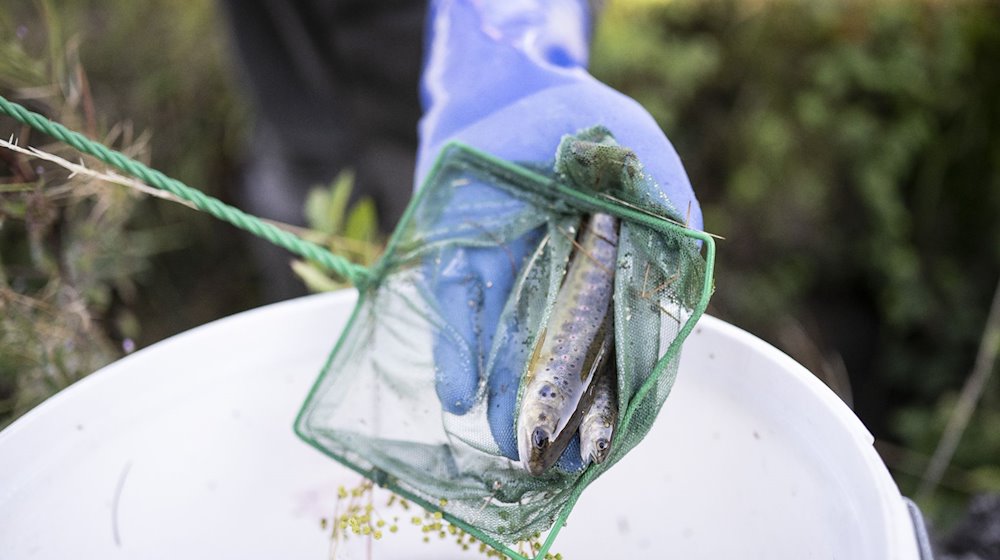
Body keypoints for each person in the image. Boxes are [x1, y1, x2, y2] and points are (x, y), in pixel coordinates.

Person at [224, 0, 701, 465]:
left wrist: (507, 42)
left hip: (443, 85)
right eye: (542, 438)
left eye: (542, 439)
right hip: (293, 88)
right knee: (306, 290)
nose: (540, 445)